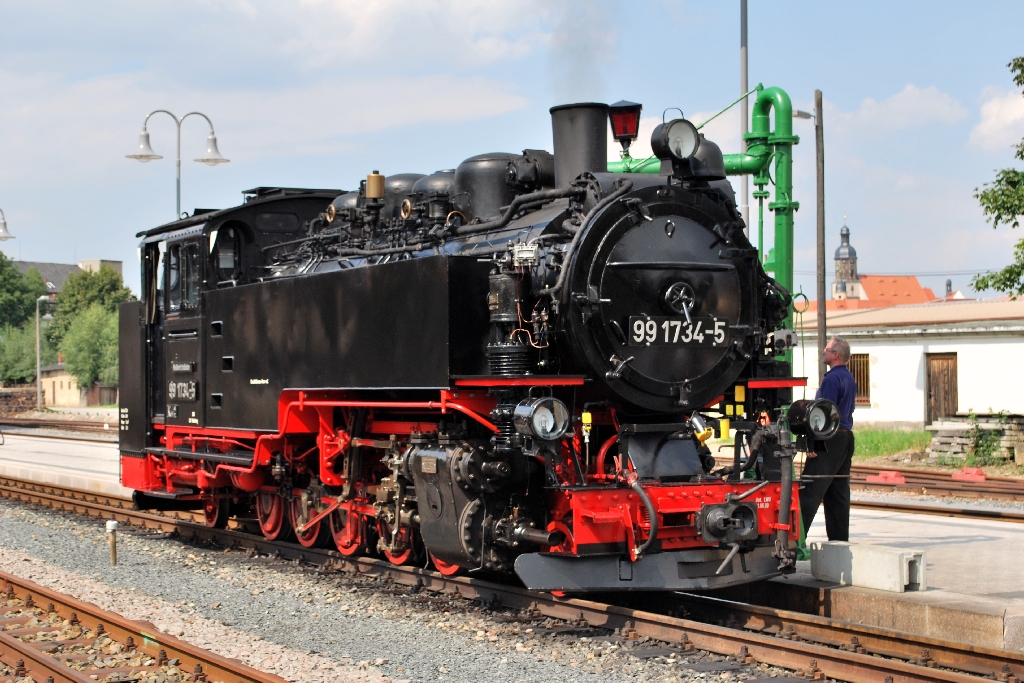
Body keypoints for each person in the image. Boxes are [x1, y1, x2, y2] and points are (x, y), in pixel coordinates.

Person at [799, 336, 857, 542]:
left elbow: (825, 413)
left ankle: (794, 541)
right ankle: (839, 541)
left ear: (836, 355)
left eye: (827, 348)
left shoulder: (831, 379)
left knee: (809, 491)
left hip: (830, 439)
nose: (823, 351)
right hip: (846, 438)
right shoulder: (849, 378)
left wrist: (812, 442)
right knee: (838, 494)